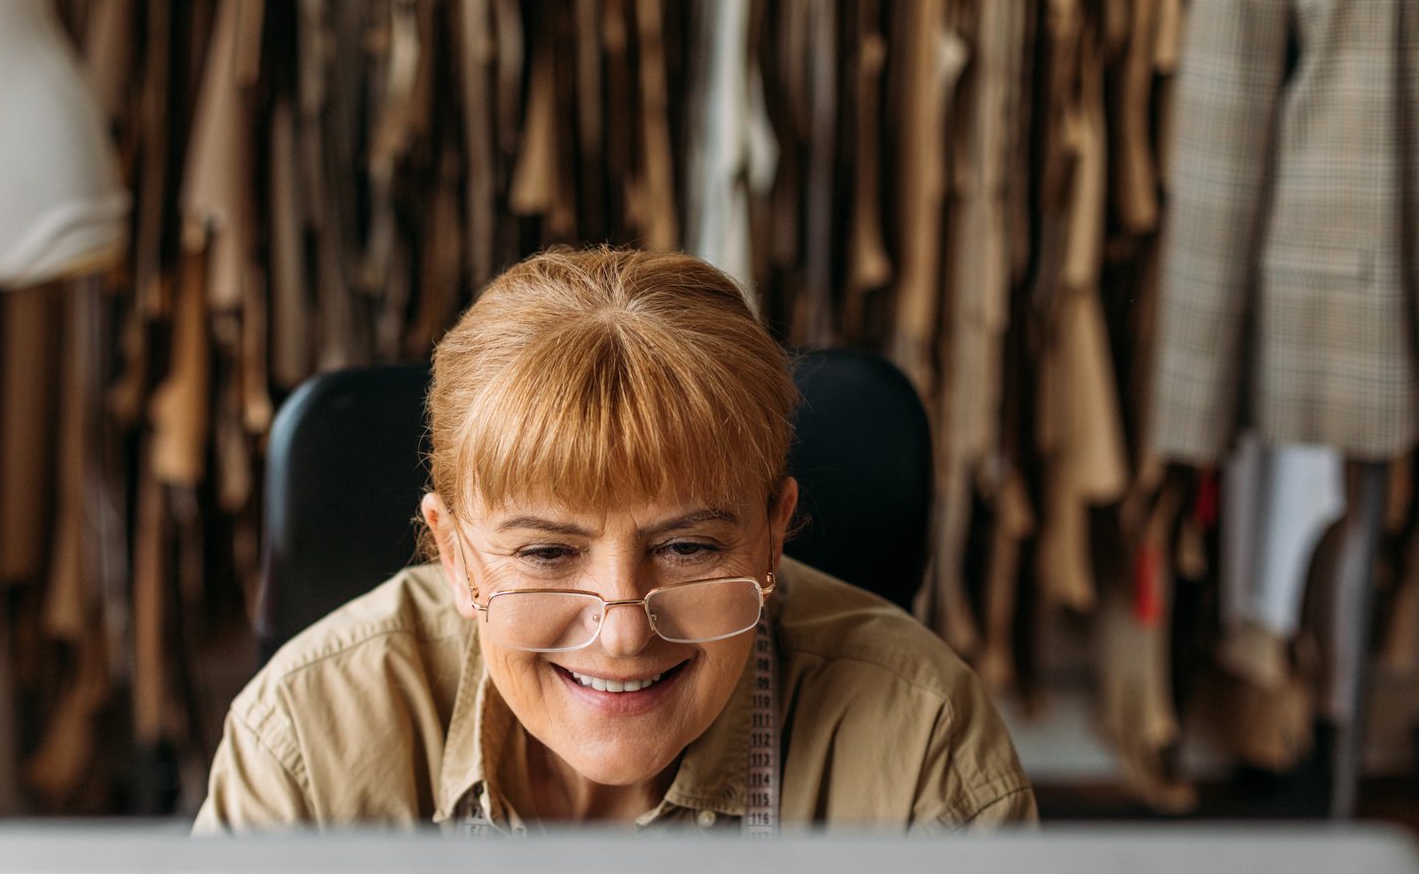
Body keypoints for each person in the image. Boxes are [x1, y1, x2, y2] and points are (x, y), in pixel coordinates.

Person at [195, 248, 1034, 833]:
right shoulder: (301, 743)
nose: (625, 631)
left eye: (688, 548)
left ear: (772, 538)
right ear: (453, 555)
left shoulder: (924, 743)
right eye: (548, 553)